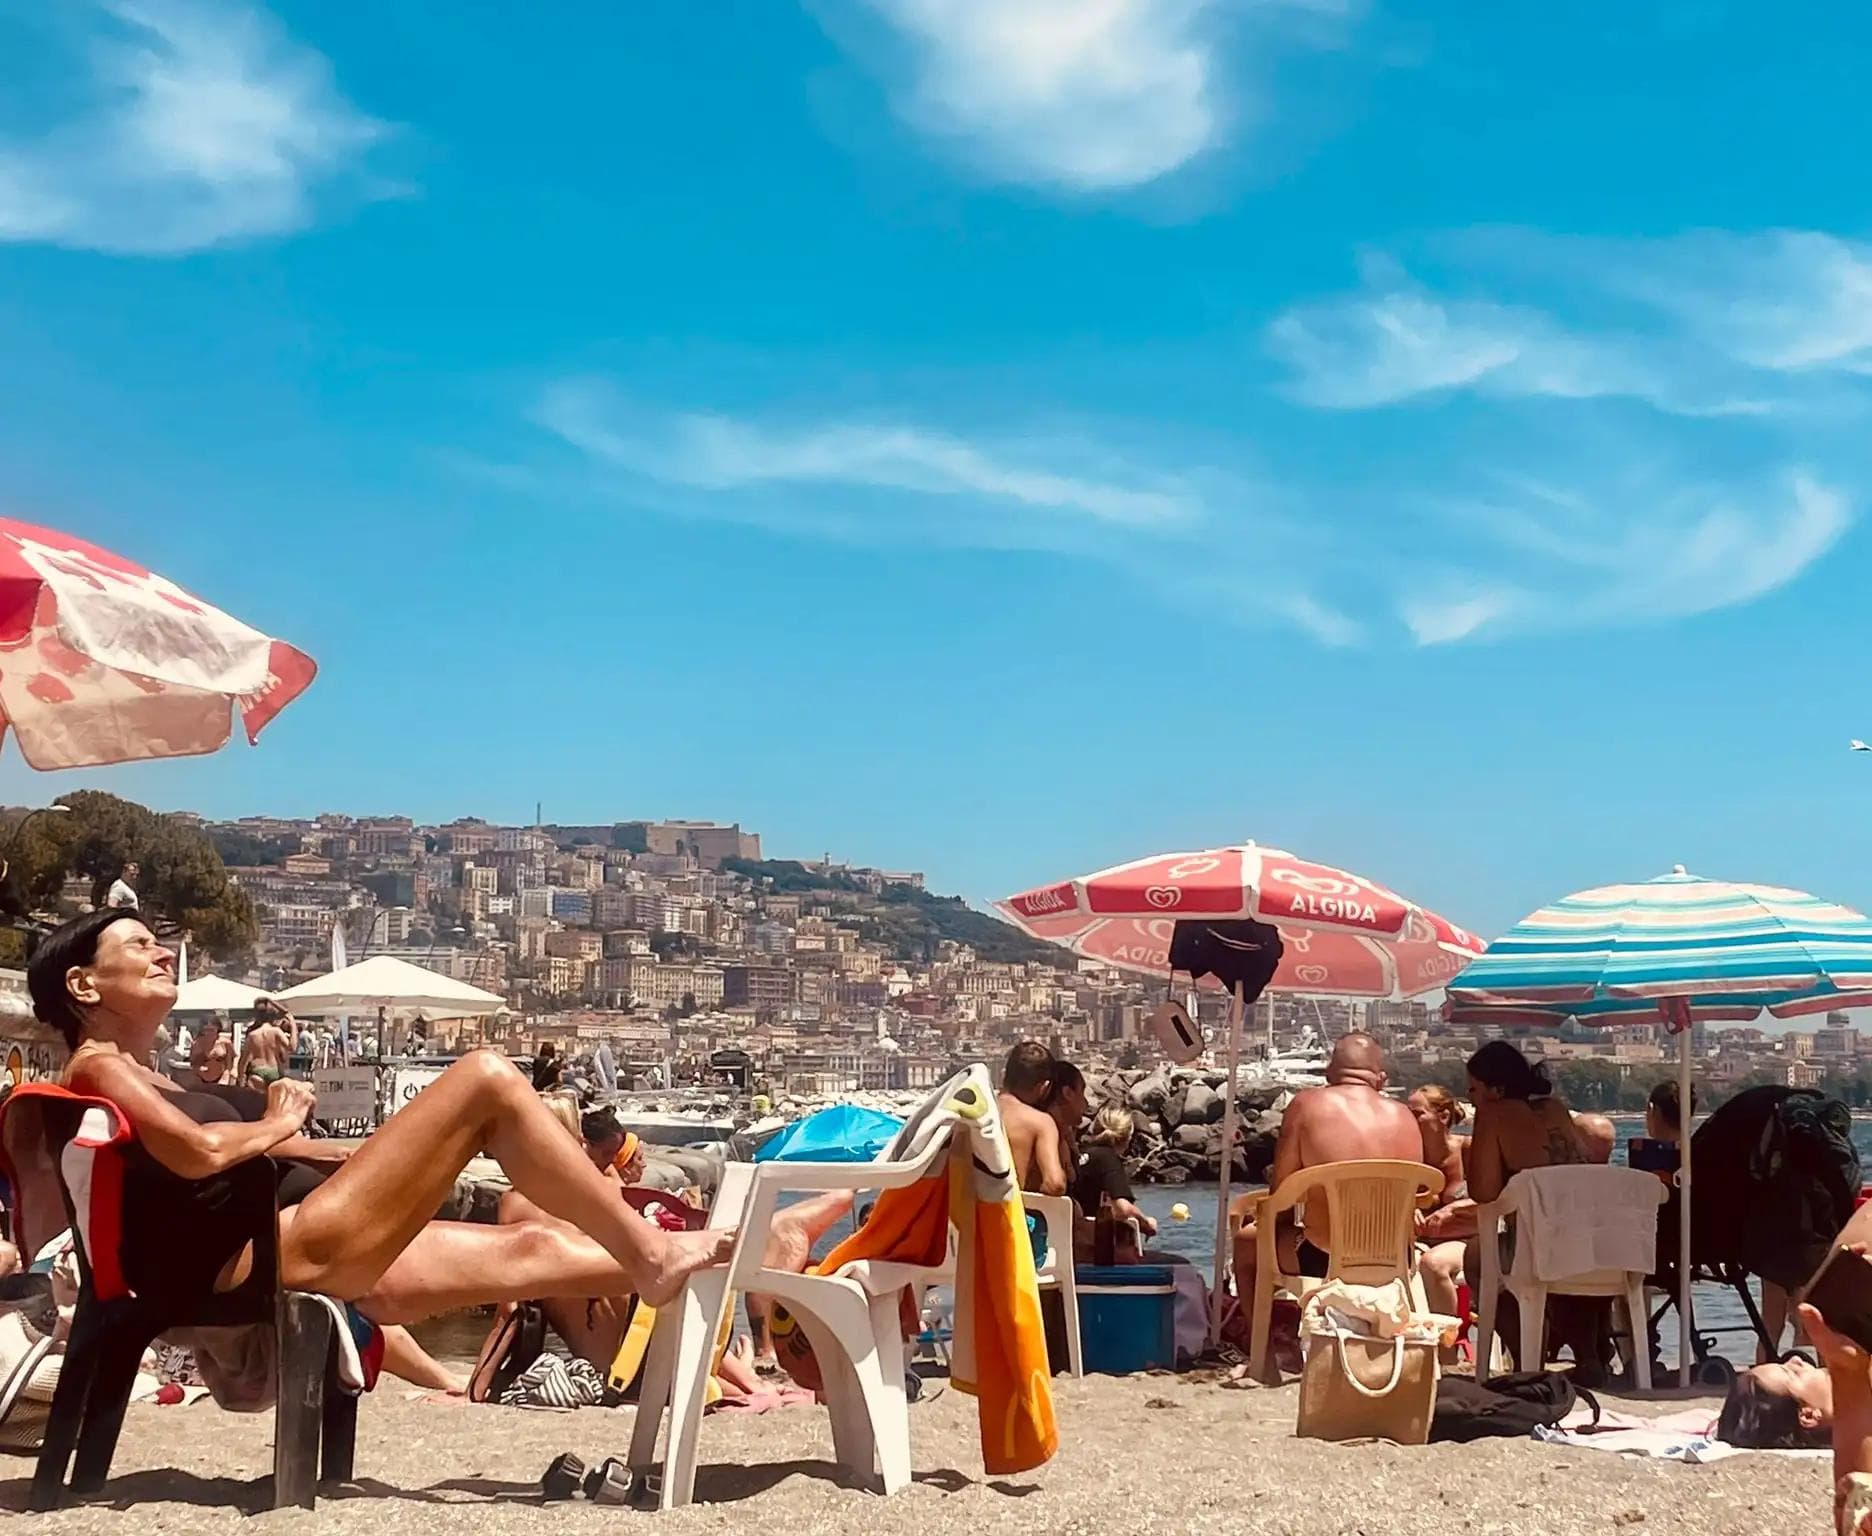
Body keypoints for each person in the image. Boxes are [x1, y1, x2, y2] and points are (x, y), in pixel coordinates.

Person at [30, 909, 732, 1410]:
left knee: (534, 1243)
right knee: (486, 1074)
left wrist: (411, 1149)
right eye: (141, 944)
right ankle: (653, 1251)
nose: (162, 954)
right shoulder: (99, 1068)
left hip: (298, 1234)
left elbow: (284, 1150)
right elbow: (200, 1153)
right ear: (85, 987)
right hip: (266, 1254)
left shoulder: (166, 1080)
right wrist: (276, 1119)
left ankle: (725, 1263)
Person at [1232, 1033, 1422, 1305]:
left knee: (1246, 1243)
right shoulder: (1406, 1116)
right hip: (1396, 1259)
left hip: (1322, 1257)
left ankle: (1262, 1343)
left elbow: (1282, 1197)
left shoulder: (1306, 1105)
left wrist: (1267, 1221)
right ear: (1381, 1078)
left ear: (1329, 1073)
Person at [1462, 1040, 1604, 1380]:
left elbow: (1484, 1193)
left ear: (1496, 1089)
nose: (1469, 1097)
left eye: (1473, 1088)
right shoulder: (1555, 1109)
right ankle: (1588, 1355)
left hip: (1540, 1244)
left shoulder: (1493, 1113)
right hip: (1595, 1242)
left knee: (1478, 1259)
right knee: (1557, 1251)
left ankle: (1529, 1362)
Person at [1408, 1085, 1476, 1322]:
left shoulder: (1469, 1150)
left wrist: (1455, 1207)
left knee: (1433, 1264)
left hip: (1470, 1240)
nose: (1409, 1120)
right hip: (1421, 1241)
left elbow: (1497, 1198)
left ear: (1443, 1116)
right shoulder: (1408, 1157)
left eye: (1417, 1114)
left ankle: (1446, 1344)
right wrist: (1408, 1208)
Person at [1071, 1106, 1157, 1258]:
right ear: (1128, 1137)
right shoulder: (1108, 1159)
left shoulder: (1079, 1155)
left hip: (1071, 1241)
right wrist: (1147, 1224)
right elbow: (1122, 1208)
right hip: (1097, 1248)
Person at [998, 1041, 1067, 1196]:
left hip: (967, 1213)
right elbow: (1054, 1184)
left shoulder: (979, 1111)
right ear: (1044, 1087)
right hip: (1009, 1214)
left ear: (1005, 1075)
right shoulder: (1040, 1122)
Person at [238, 998, 298, 1091]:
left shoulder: (252, 1035)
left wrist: (241, 1078)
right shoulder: (276, 1032)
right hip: (274, 1070)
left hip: (257, 1071)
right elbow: (292, 1047)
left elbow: (243, 1061)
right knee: (274, 1104)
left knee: (257, 1104)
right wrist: (293, 1024)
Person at [187, 1017, 232, 1088]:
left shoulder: (225, 1043)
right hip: (200, 1079)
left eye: (212, 1030)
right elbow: (192, 1064)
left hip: (221, 1079)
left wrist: (226, 1076)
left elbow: (230, 1062)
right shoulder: (196, 1044)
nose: (209, 1033)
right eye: (206, 1030)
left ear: (218, 1029)